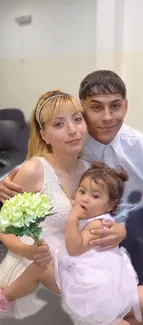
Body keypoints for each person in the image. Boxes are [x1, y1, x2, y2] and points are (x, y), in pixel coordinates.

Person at [1, 163, 143, 325]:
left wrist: (72, 219)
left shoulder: (97, 225)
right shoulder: (95, 218)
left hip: (87, 283)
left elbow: (74, 248)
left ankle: (6, 296)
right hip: (95, 277)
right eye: (82, 192)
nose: (85, 199)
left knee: (39, 268)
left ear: (110, 205)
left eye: (95, 196)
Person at [0, 89, 90, 318]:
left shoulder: (90, 171)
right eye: (59, 124)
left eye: (77, 119)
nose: (73, 130)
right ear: (44, 135)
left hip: (73, 264)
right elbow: (3, 227)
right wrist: (27, 250)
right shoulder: (33, 170)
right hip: (32, 268)